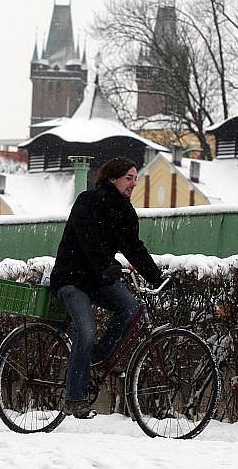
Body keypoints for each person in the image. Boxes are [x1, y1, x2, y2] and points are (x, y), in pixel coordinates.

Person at [50, 157, 163, 419]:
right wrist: (106, 265)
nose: (134, 183)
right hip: (72, 279)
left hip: (98, 280)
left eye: (136, 178)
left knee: (131, 309)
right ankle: (73, 399)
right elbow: (87, 238)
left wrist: (156, 276)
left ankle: (94, 358)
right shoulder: (88, 201)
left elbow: (133, 247)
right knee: (86, 331)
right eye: (129, 177)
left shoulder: (124, 210)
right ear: (112, 178)